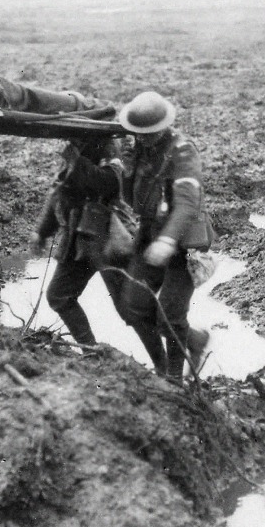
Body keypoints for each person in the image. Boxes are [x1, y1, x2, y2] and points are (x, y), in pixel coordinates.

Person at [92, 92, 214, 379]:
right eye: (139, 134)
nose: (143, 138)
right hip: (149, 237)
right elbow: (132, 198)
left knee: (169, 315)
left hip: (184, 244)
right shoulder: (141, 150)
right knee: (133, 308)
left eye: (148, 134)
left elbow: (187, 202)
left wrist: (168, 240)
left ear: (163, 126)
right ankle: (185, 349)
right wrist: (125, 164)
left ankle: (173, 378)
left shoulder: (183, 151)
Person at [28, 137, 128, 346]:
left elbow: (108, 184)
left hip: (105, 237)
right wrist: (42, 232)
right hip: (78, 239)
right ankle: (90, 350)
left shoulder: (108, 147)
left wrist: (78, 162)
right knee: (59, 296)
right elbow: (61, 192)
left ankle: (184, 347)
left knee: (130, 309)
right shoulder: (76, 147)